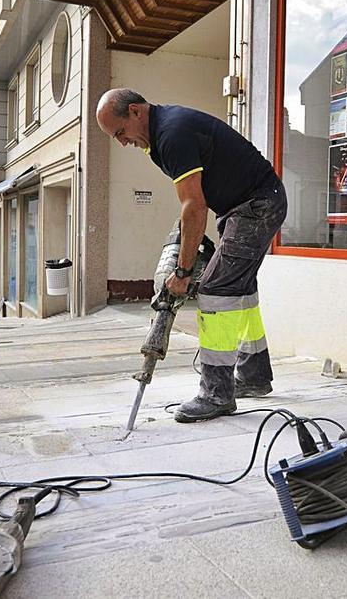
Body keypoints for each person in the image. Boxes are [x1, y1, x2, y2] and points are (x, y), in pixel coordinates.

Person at [95, 88, 287, 422]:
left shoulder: (172, 134)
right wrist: (180, 247)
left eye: (120, 132)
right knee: (239, 291)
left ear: (136, 111)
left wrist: (183, 273)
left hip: (256, 206)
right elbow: (191, 206)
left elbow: (194, 206)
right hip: (248, 205)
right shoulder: (162, 137)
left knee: (215, 291)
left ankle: (216, 394)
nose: (122, 142)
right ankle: (254, 376)